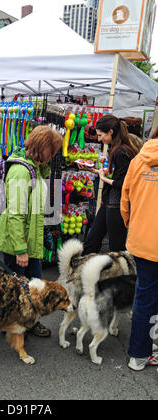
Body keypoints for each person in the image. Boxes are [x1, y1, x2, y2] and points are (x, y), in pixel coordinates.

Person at [0, 125, 63, 337]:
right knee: (17, 288)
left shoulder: (34, 168)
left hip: (30, 239)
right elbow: (15, 213)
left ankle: (28, 321)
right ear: (44, 147)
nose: (55, 154)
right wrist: (21, 249)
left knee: (33, 287)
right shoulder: (22, 170)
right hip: (19, 242)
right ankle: (11, 323)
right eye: (54, 149)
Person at [121, 125, 158, 371]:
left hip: (143, 241)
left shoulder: (139, 159)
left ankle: (139, 354)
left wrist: (133, 227)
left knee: (144, 297)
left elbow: (126, 200)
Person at [78, 114, 139, 255]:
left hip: (117, 205)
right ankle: (82, 271)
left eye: (101, 135)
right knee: (92, 240)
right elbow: (114, 175)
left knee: (116, 248)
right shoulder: (117, 149)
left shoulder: (121, 151)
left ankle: (120, 276)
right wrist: (92, 170)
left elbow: (123, 183)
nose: (99, 139)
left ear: (110, 131)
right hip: (110, 203)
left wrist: (103, 178)